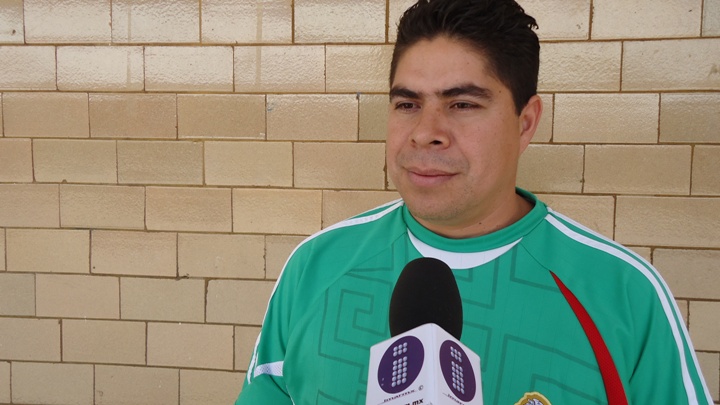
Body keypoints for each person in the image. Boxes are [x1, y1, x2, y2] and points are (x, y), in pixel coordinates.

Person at [235, 0, 712, 404]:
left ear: (526, 122)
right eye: (407, 104)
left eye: (462, 104)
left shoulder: (623, 294)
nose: (426, 132)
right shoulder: (316, 266)